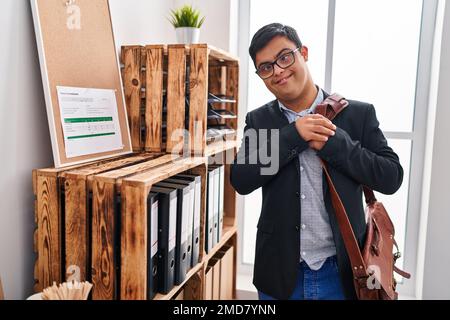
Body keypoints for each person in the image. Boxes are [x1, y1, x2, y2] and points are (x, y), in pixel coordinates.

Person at [230, 23, 403, 300]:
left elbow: (391, 176)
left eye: (285, 57)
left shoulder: (357, 115)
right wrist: (294, 136)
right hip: (279, 275)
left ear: (304, 53)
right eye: (266, 68)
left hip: (345, 274)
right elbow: (242, 179)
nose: (278, 71)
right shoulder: (260, 121)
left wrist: (336, 144)